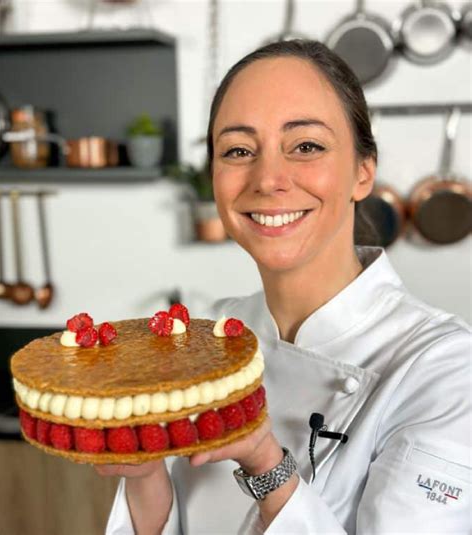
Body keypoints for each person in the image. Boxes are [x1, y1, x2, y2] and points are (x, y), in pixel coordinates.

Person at [97, 40, 471, 534]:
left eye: (306, 146)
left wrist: (267, 466)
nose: (268, 178)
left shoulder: (445, 369)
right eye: (238, 150)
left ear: (363, 172)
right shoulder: (212, 339)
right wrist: (145, 475)